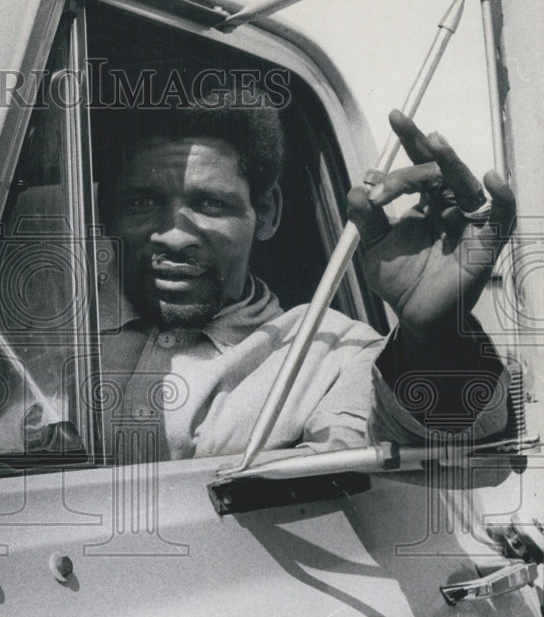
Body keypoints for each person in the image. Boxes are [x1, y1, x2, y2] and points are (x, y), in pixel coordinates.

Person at [93, 100, 515, 463]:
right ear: (104, 212)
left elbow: (469, 465)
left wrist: (434, 337)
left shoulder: (334, 354)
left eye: (210, 203)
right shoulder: (50, 334)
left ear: (267, 212)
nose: (174, 235)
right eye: (141, 202)